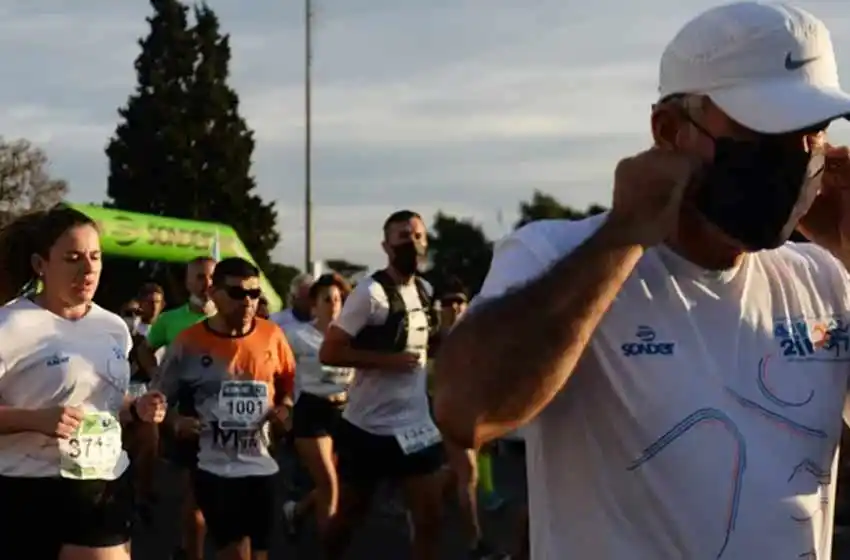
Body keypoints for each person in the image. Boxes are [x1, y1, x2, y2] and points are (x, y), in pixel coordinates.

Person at [434, 3, 850, 559]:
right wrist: (622, 235)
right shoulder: (556, 256)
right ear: (670, 131)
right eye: (767, 132)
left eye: (813, 133)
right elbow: (468, 410)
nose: (800, 158)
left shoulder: (823, 276)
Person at [0, 206, 166, 559]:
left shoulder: (114, 327)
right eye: (73, 258)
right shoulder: (10, 326)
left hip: (102, 483)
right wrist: (36, 420)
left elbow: (105, 403)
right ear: (40, 264)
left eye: (95, 256)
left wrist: (135, 408)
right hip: (26, 488)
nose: (88, 269)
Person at [320, 210, 444, 560]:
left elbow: (423, 347)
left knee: (430, 518)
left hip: (416, 426)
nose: (413, 242)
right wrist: (387, 361)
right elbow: (330, 351)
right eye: (403, 237)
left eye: (418, 235)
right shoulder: (370, 293)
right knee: (350, 517)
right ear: (386, 246)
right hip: (369, 428)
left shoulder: (425, 289)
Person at [154, 257, 296, 560]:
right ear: (214, 293)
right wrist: (176, 422)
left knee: (258, 555)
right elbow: (157, 401)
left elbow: (287, 387)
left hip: (262, 465)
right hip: (214, 467)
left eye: (254, 294)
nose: (247, 302)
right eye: (237, 293)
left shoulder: (272, 335)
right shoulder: (187, 343)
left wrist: (284, 410)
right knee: (234, 553)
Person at [147, 256, 216, 560]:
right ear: (188, 282)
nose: (207, 283)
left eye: (212, 277)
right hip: (188, 413)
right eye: (199, 277)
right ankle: (193, 552)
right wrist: (157, 378)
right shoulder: (170, 320)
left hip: (229, 415)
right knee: (196, 493)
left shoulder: (236, 317)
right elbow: (143, 349)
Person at [281, 273, 355, 539]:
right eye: (327, 299)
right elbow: (277, 371)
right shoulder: (296, 336)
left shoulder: (352, 337)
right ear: (314, 306)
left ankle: (297, 512)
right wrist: (283, 404)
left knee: (337, 481)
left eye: (338, 299)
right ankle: (330, 548)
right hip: (311, 411)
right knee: (329, 483)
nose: (334, 304)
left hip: (345, 413)